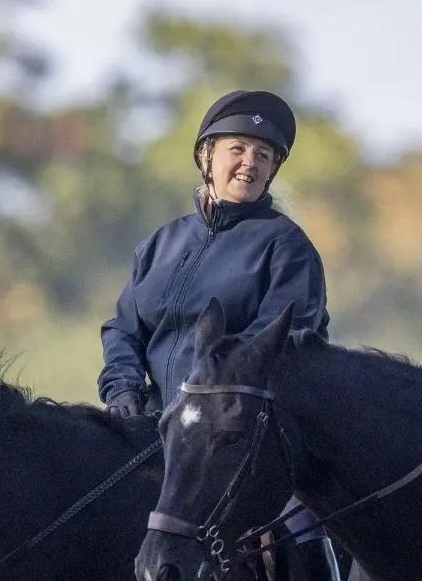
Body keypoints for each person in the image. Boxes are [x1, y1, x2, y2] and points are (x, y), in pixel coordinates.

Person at [98, 90, 341, 580]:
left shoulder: (286, 247)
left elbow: (284, 340)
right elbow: (123, 328)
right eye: (238, 149)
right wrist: (123, 388)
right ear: (206, 157)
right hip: (154, 428)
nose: (249, 164)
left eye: (263, 155)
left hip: (240, 442)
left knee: (300, 525)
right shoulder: (161, 244)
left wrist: (203, 404)